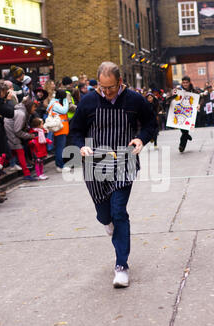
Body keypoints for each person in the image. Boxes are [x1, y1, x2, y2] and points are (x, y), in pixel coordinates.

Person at [70, 61, 157, 288]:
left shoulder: (134, 100)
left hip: (124, 160)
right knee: (104, 214)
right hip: (95, 163)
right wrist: (81, 146)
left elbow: (150, 124)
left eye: (110, 88)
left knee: (119, 212)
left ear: (119, 82)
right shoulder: (88, 101)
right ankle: (106, 222)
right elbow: (75, 130)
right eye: (102, 87)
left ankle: (121, 266)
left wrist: (141, 138)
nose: (106, 93)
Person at [4, 98, 38, 181]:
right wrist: (30, 136)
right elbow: (17, 131)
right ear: (29, 107)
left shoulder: (22, 112)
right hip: (11, 133)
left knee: (12, 152)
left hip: (10, 132)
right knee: (20, 152)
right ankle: (27, 174)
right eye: (34, 107)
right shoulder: (21, 114)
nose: (35, 109)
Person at [46, 89, 70, 172]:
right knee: (60, 148)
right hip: (60, 129)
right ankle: (60, 166)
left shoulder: (54, 103)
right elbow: (64, 110)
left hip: (61, 129)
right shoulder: (56, 104)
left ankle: (60, 164)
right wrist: (66, 100)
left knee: (60, 147)